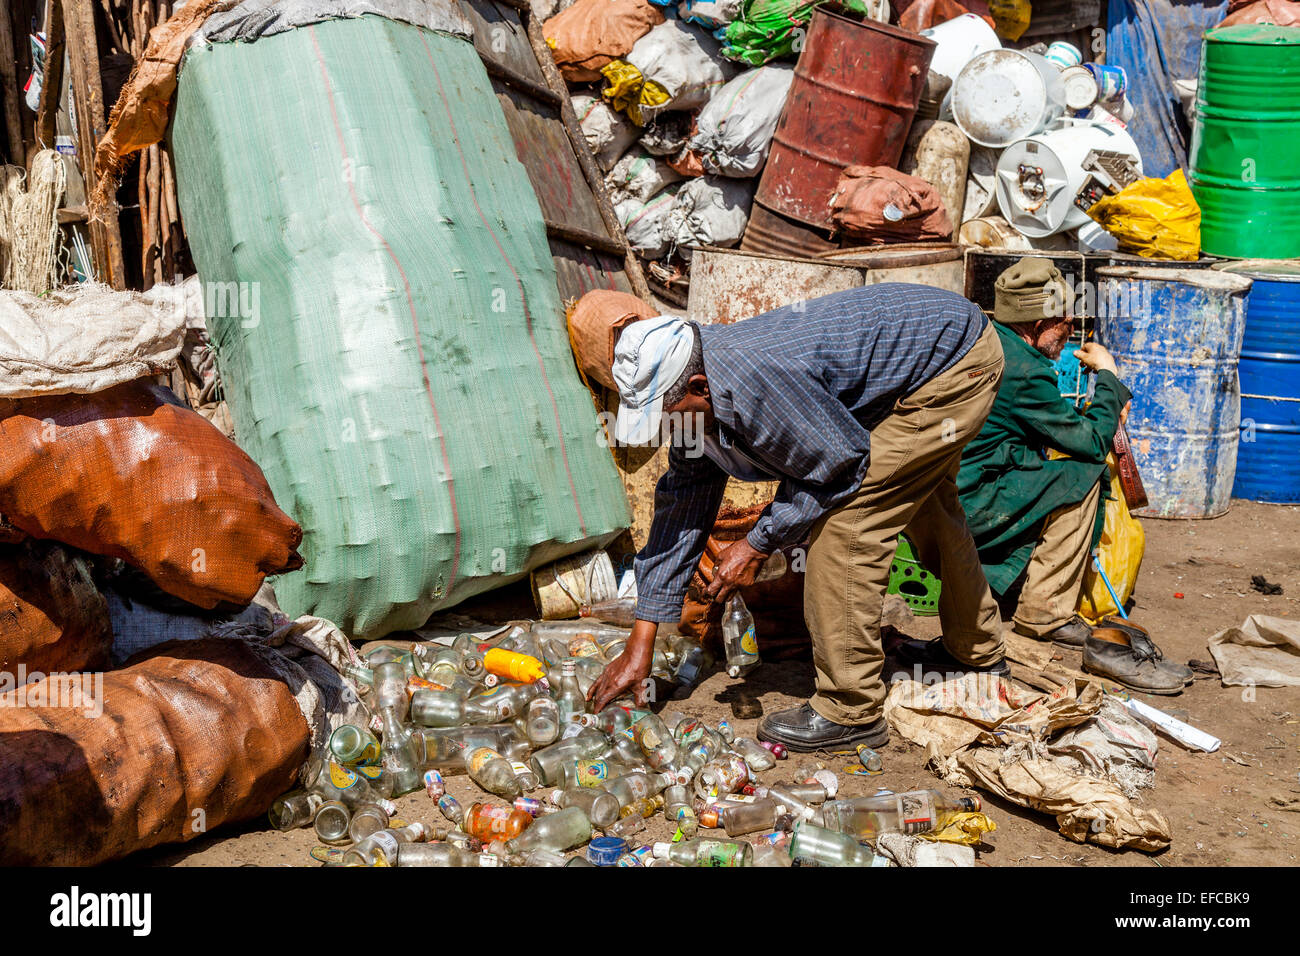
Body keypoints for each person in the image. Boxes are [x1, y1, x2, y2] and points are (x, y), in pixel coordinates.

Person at [586, 284, 1008, 751]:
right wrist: (641, 641)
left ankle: (851, 709)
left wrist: (757, 543)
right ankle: (977, 651)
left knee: (847, 524)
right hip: (922, 352)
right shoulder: (695, 404)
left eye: (667, 413)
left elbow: (841, 464)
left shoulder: (760, 383)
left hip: (951, 365)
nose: (667, 428)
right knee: (928, 507)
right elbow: (680, 509)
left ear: (700, 388)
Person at [955, 258, 1188, 694]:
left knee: (1061, 471)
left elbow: (1047, 424)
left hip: (957, 490)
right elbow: (1090, 443)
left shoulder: (995, 343)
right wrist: (1108, 376)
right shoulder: (1024, 370)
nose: (1071, 332)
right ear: (1042, 322)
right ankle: (1045, 614)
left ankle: (1024, 593)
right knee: (1084, 474)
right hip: (973, 501)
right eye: (1066, 322)